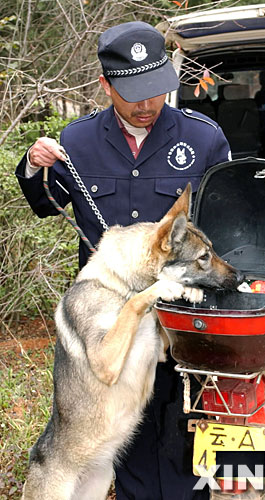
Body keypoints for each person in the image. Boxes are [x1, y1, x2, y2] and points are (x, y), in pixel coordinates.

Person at [16, 21, 231, 500]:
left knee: (181, 429)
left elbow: (224, 223)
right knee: (123, 441)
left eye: (155, 90)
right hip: (108, 320)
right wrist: (34, 164)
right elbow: (44, 202)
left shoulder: (204, 139)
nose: (146, 104)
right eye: (132, 92)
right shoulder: (79, 140)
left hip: (178, 318)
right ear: (105, 85)